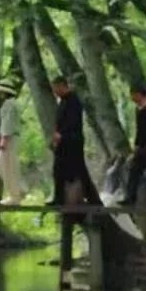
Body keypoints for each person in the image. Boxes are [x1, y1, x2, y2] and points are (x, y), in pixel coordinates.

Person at [51, 75, 100, 206]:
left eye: (56, 88)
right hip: (62, 142)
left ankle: (93, 200)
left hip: (72, 141)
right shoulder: (62, 102)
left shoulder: (73, 101)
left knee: (80, 171)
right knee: (58, 170)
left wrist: (62, 135)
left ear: (62, 86)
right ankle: (59, 198)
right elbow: (59, 121)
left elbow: (73, 122)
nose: (55, 91)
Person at [0, 79, 24, 204]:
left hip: (9, 138)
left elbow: (8, 123)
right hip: (12, 137)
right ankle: (18, 190)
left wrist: (4, 139)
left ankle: (15, 195)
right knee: (6, 165)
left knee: (6, 166)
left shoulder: (9, 104)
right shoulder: (11, 103)